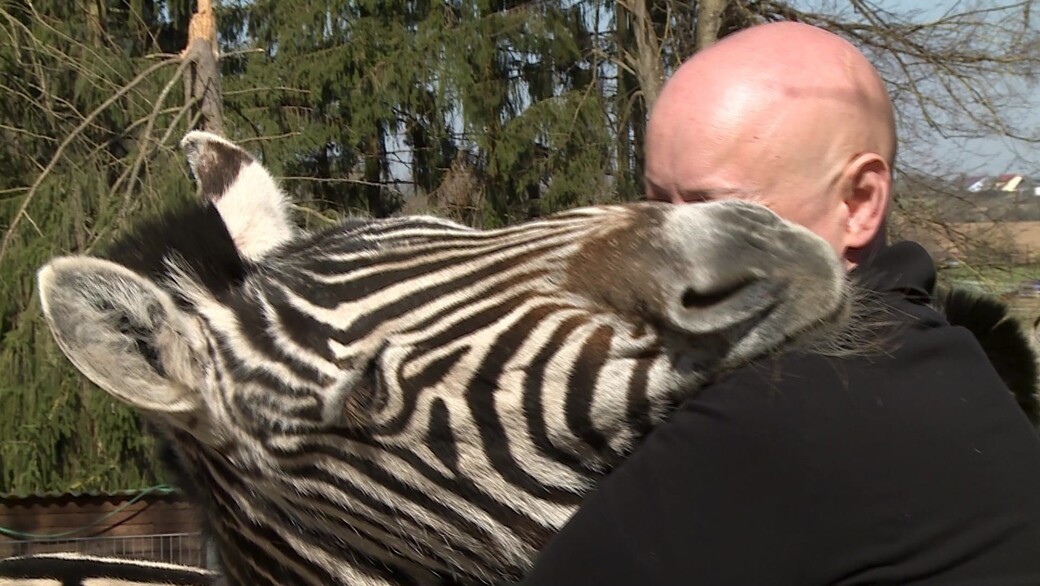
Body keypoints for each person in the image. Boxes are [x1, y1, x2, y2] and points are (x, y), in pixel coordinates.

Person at [520, 21, 1040, 585]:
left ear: (859, 202)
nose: (663, 256)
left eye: (713, 214)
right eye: (654, 206)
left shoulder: (794, 399)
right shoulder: (942, 365)